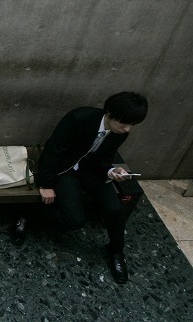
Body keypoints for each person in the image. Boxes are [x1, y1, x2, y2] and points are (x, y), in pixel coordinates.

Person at [11, 91, 148, 284]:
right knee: (75, 219)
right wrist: (45, 184)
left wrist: (112, 171)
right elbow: (54, 149)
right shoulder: (79, 118)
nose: (127, 130)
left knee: (115, 209)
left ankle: (116, 251)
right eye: (123, 123)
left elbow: (104, 159)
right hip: (64, 169)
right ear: (109, 113)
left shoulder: (119, 132)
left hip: (89, 171)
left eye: (132, 125)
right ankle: (27, 215)